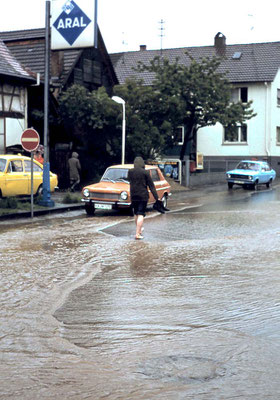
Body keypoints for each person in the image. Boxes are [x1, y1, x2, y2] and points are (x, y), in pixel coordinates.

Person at [128, 156, 159, 240]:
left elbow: (129, 180)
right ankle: (138, 234)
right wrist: (157, 198)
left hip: (133, 195)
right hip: (143, 196)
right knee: (141, 214)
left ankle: (139, 229)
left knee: (136, 213)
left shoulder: (130, 172)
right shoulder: (145, 173)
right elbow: (151, 186)